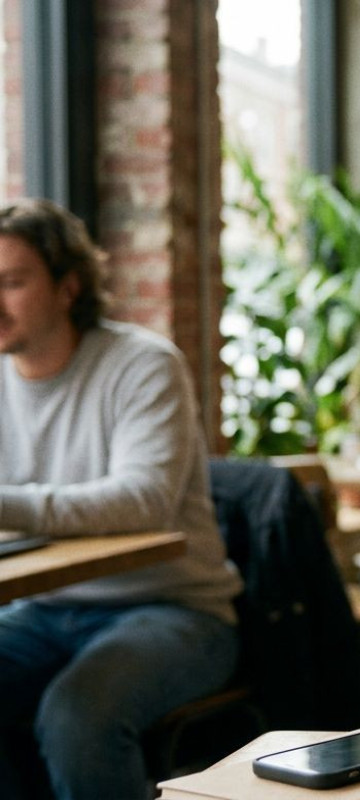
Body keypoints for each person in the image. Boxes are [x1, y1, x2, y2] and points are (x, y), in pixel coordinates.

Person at [0, 199, 242, 799]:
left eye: (12, 281)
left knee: (76, 716)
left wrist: (7, 505)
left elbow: (145, 500)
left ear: (67, 285)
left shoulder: (141, 364)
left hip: (175, 608)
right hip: (41, 608)